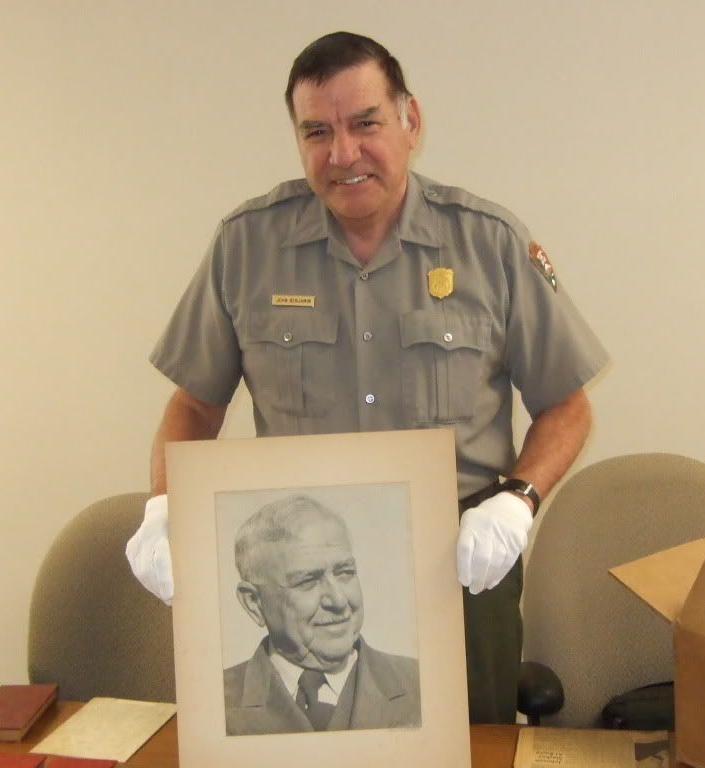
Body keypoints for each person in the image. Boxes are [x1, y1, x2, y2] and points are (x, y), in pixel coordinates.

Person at [126, 31, 609, 724]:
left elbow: (568, 406)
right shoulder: (247, 245)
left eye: (365, 124)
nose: (342, 154)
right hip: (300, 578)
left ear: (411, 121)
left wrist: (517, 504)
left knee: (471, 748)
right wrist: (164, 508)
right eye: (317, 131)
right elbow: (194, 406)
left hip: (460, 569)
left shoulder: (488, 243)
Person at [224, 494, 420, 735]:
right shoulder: (215, 702)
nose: (338, 600)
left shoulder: (421, 684)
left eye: (345, 572)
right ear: (253, 602)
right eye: (308, 581)